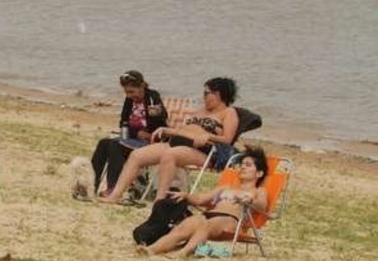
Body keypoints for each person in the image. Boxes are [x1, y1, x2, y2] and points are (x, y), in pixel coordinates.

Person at [101, 77, 240, 204]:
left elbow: (227, 139)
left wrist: (210, 136)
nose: (204, 96)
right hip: (178, 142)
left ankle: (159, 201)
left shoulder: (229, 112)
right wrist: (166, 130)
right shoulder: (200, 111)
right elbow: (182, 130)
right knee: (137, 155)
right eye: (203, 92)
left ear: (219, 94)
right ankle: (115, 196)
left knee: (171, 154)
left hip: (204, 150)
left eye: (207, 92)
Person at [138, 147, 270, 257]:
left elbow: (262, 206)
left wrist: (250, 200)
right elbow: (201, 199)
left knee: (205, 225)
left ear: (259, 173)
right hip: (210, 215)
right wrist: (186, 196)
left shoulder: (258, 191)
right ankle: (152, 249)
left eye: (248, 165)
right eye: (241, 165)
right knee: (183, 227)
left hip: (231, 221)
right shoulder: (226, 187)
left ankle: (182, 253)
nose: (242, 168)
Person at [84, 71, 167, 199]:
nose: (129, 95)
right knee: (103, 143)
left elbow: (162, 122)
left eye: (132, 92)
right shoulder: (129, 100)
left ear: (142, 86)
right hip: (133, 138)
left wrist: (157, 114)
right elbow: (123, 122)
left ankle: (113, 188)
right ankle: (91, 185)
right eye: (127, 92)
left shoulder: (152, 97)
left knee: (114, 145)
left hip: (151, 141)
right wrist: (135, 132)